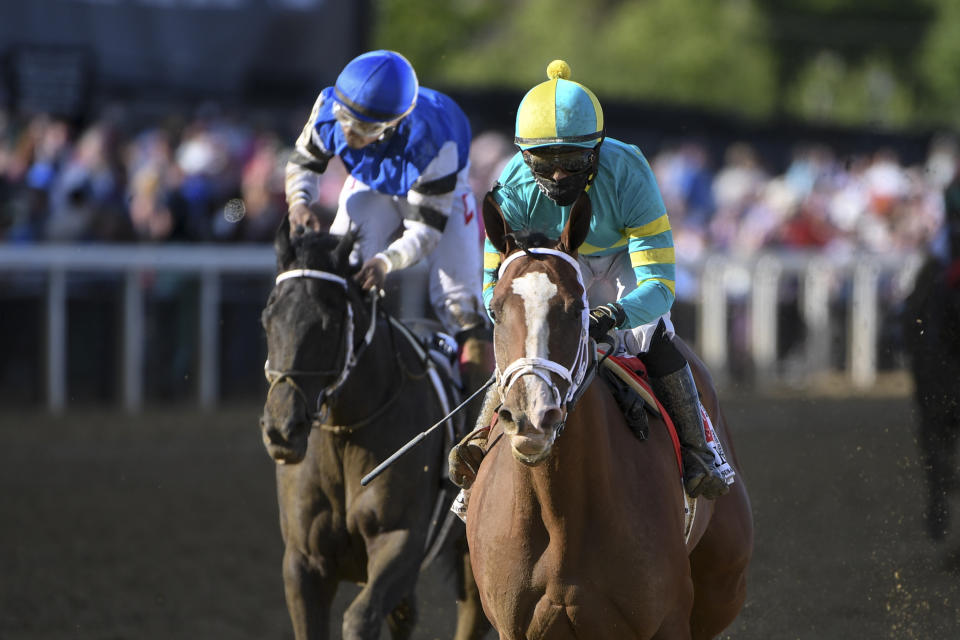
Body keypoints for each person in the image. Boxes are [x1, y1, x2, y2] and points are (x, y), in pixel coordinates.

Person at [449, 60, 728, 500]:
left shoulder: (630, 171)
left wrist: (615, 313)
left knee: (649, 332)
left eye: (573, 160)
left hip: (621, 258)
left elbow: (659, 286)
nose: (559, 174)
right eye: (545, 161)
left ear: (596, 149)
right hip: (554, 266)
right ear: (524, 156)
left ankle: (700, 451)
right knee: (522, 339)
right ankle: (481, 450)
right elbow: (492, 290)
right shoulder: (511, 186)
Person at [283, 49, 493, 429]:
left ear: (395, 124)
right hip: (372, 182)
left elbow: (426, 231)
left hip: (432, 188)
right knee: (339, 276)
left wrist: (386, 262)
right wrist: (299, 202)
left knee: (461, 305)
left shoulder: (435, 141)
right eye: (345, 121)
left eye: (363, 129)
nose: (347, 133)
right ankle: (325, 385)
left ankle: (478, 429)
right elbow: (303, 163)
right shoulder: (330, 106)